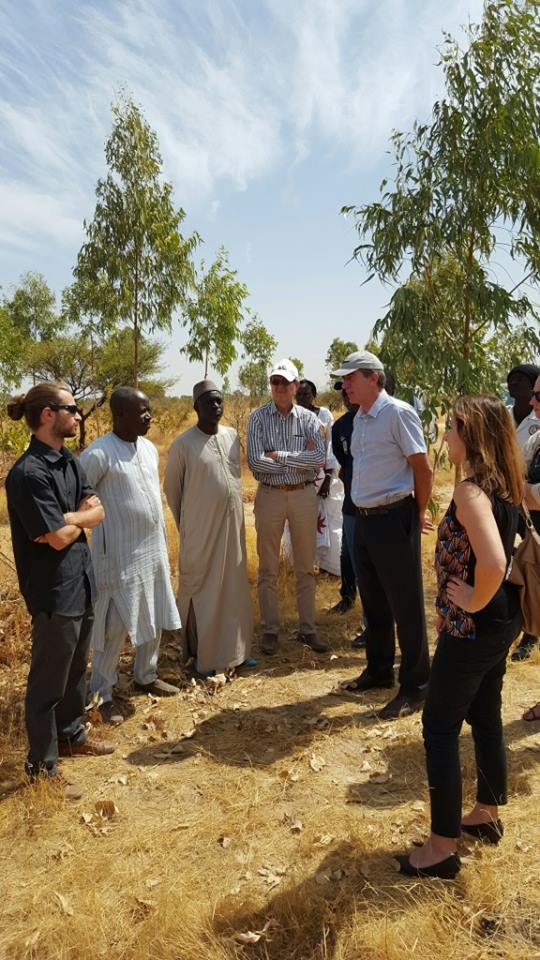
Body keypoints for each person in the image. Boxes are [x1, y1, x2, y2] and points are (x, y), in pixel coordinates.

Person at [397, 395, 523, 879]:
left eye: (451, 427)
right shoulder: (503, 486)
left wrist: (471, 599)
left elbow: (492, 562)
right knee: (486, 715)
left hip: (473, 629)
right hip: (500, 624)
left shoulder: (472, 492)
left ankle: (441, 847)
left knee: (440, 727)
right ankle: (487, 814)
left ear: (471, 436)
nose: (445, 435)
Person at [5, 382, 115, 800]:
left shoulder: (67, 460)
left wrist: (70, 519)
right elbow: (54, 538)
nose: (78, 415)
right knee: (48, 681)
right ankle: (42, 768)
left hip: (80, 582)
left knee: (74, 672)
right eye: (71, 409)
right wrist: (76, 520)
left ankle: (71, 736)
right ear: (48, 414)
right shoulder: (28, 474)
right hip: (53, 592)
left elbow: (97, 511)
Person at [333, 351, 432, 720]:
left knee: (406, 606)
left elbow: (422, 470)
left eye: (350, 378)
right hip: (365, 520)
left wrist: (418, 514)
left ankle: (416, 686)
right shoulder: (360, 417)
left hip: (394, 519)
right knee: (374, 603)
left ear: (373, 378)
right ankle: (378, 671)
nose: (344, 385)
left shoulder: (398, 413)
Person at [80, 388, 181, 724]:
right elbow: (79, 499)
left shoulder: (150, 449)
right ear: (120, 415)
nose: (149, 417)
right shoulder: (98, 454)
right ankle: (101, 692)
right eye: (142, 411)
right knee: (113, 625)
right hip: (117, 556)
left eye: (149, 410)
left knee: (153, 609)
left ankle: (146, 675)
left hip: (152, 549)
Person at [164, 381, 254, 675]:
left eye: (219, 402)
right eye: (209, 403)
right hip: (201, 533)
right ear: (195, 407)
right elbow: (173, 492)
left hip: (232, 529)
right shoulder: (182, 444)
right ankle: (205, 657)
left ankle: (237, 652)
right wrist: (192, 524)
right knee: (202, 590)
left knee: (233, 589)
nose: (216, 407)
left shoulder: (230, 436)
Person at [247, 359, 327, 655]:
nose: (279, 387)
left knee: (305, 567)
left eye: (285, 382)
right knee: (267, 567)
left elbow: (317, 458)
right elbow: (255, 463)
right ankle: (270, 630)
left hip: (304, 496)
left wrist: (278, 455)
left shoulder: (309, 420)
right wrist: (297, 459)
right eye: (275, 382)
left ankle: (308, 630)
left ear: (296, 386)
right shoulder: (257, 419)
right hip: (269, 496)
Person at [507, 363, 540, 661]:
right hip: (511, 504)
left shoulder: (536, 422)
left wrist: (525, 489)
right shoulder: (504, 416)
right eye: (510, 379)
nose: (513, 383)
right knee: (516, 565)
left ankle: (532, 634)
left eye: (520, 379)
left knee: (534, 567)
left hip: (532, 508)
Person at [292, 378, 342, 575]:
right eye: (300, 394)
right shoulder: (292, 417)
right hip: (301, 479)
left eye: (307, 394)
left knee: (330, 522)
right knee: (301, 523)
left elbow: (331, 445)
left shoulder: (324, 415)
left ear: (314, 396)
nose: (303, 397)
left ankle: (330, 568)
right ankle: (301, 567)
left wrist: (327, 479)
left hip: (325, 477)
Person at [331, 384, 366, 647]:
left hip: (377, 510)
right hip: (351, 507)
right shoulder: (340, 427)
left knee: (370, 566)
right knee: (348, 556)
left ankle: (372, 623)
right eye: (342, 393)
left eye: (349, 389)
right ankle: (347, 597)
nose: (347, 396)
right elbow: (344, 462)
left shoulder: (375, 420)